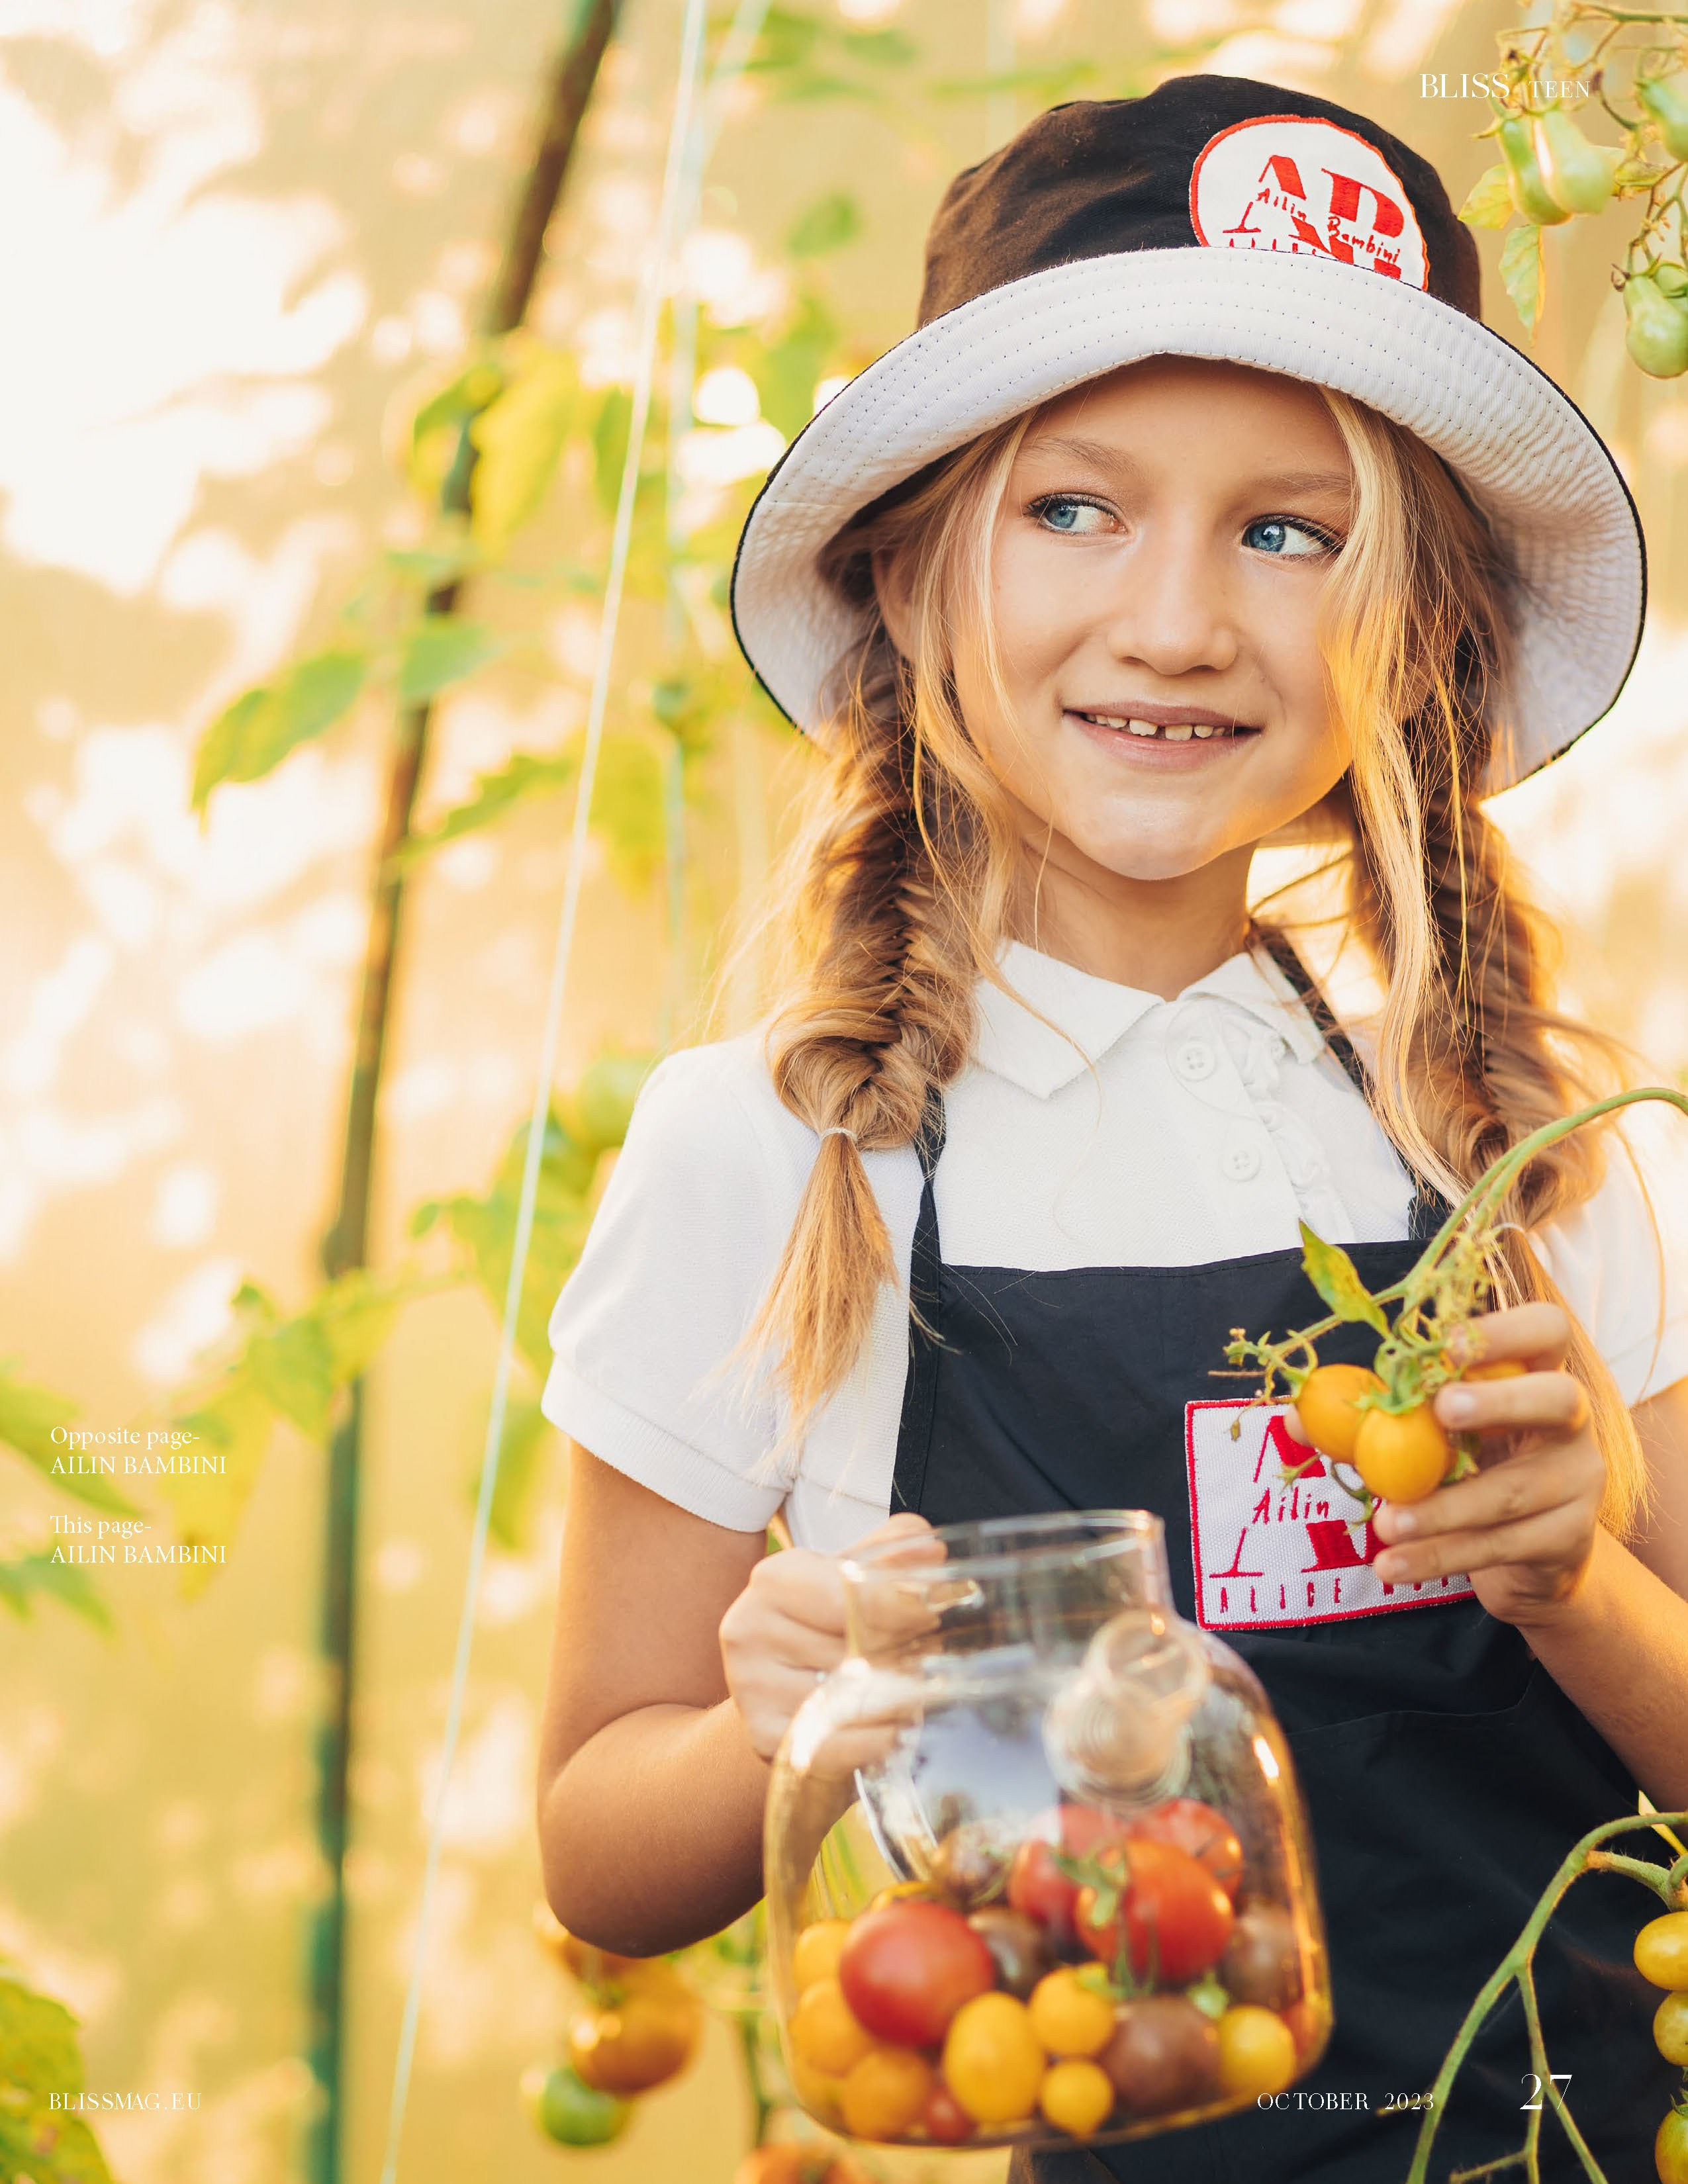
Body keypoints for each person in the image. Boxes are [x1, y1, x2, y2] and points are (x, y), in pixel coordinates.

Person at [535, 73, 1688, 2182]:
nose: (1178, 618)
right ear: (903, 574)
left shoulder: (1553, 1149)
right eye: (1078, 507)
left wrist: (1577, 1579)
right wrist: (769, 1715)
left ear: (1415, 639)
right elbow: (603, 1850)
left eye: (1290, 532)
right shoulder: (771, 1154)